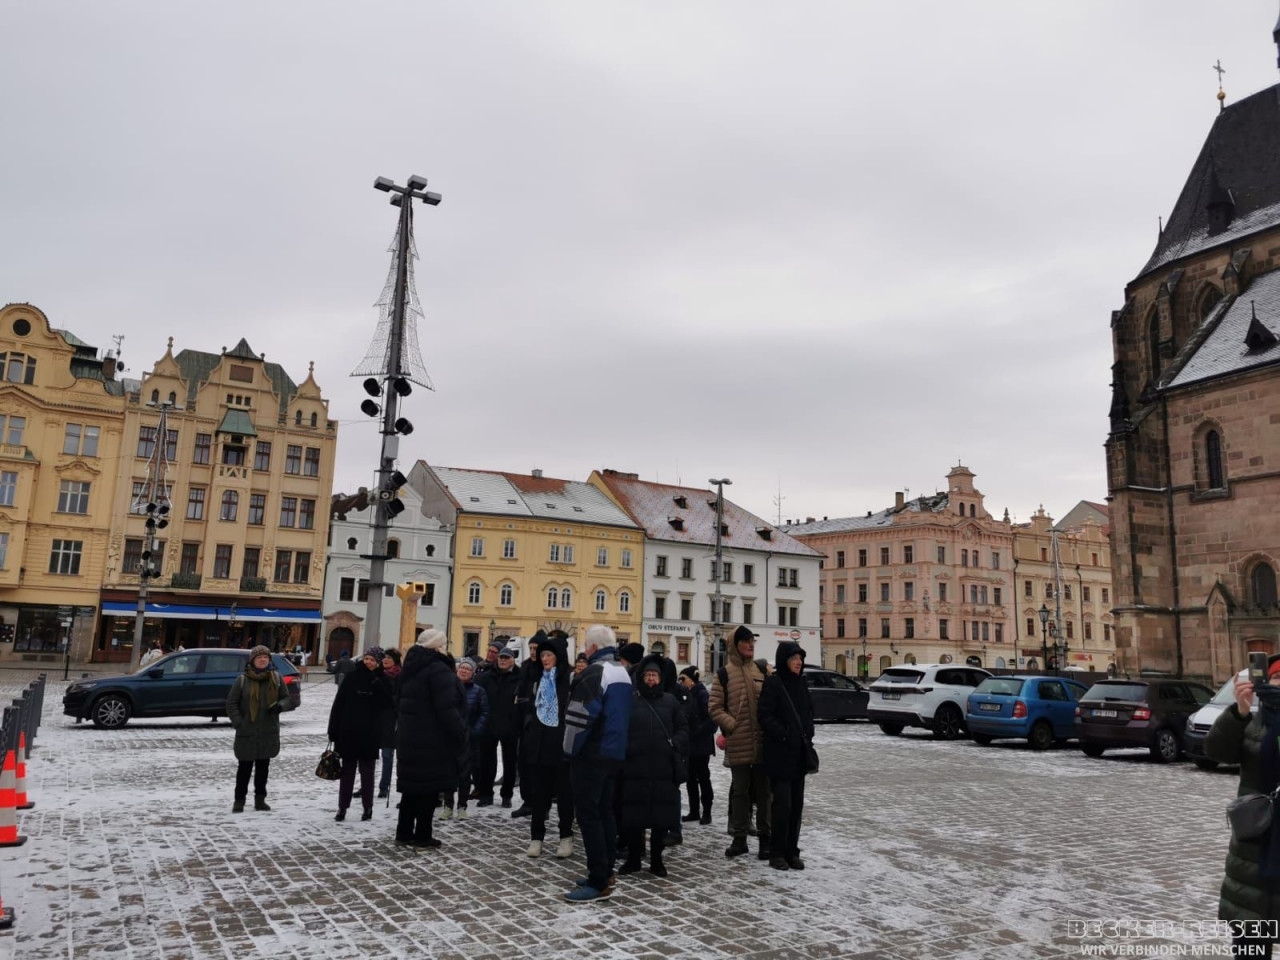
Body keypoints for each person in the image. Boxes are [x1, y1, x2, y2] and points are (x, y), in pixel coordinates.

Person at [1206, 658, 1280, 958]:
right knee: (1251, 945)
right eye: (1277, 677)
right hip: (1254, 849)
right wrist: (1239, 711)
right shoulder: (1250, 723)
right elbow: (1216, 752)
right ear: (1265, 682)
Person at [562, 624, 634, 903]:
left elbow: (579, 717)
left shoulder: (595, 672)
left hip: (591, 754)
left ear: (592, 647)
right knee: (605, 813)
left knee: (589, 816)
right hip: (613, 753)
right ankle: (606, 870)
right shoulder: (622, 672)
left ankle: (598, 880)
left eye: (585, 646)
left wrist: (569, 750)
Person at [394, 629, 467, 850]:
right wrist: (460, 730)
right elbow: (446, 708)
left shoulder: (410, 667)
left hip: (409, 736)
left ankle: (404, 832)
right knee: (428, 789)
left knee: (411, 788)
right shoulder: (438, 670)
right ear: (438, 646)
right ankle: (423, 836)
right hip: (432, 739)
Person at [618, 656, 688, 877]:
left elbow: (683, 728)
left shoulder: (670, 701)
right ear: (641, 678)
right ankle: (633, 859)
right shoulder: (630, 701)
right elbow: (620, 728)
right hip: (635, 768)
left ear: (660, 678)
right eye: (647, 674)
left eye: (654, 675)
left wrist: (675, 744)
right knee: (633, 818)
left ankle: (657, 861)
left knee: (661, 819)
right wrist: (627, 748)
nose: (651, 678)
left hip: (662, 768)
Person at [710, 625, 772, 860]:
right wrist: (732, 726)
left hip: (762, 742)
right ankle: (739, 839)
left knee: (764, 794)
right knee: (740, 793)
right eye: (746, 641)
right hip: (739, 742)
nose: (750, 645)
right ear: (735, 645)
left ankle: (765, 840)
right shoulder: (724, 674)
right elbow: (714, 707)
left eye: (752, 641)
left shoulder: (761, 670)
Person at [757, 641, 815, 871]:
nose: (798, 663)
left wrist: (808, 733)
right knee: (783, 805)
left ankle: (792, 851)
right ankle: (777, 852)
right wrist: (784, 734)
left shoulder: (801, 683)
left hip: (799, 754)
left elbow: (809, 712)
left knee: (797, 806)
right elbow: (764, 715)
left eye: (800, 659)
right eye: (794, 659)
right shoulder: (774, 683)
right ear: (784, 661)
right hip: (779, 755)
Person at [225, 645, 295, 812]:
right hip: (247, 730)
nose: (263, 660)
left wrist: (279, 706)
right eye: (259, 657)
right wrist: (239, 722)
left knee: (263, 768)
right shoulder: (242, 680)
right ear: (253, 660)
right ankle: (239, 800)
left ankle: (260, 800)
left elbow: (286, 698)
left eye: (265, 657)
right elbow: (231, 703)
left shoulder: (276, 678)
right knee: (244, 768)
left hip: (267, 730)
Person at [525, 634, 575, 859]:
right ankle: (536, 837)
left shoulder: (569, 679)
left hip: (561, 744)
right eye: (542, 655)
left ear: (558, 656)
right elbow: (527, 706)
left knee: (564, 795)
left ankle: (566, 836)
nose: (544, 659)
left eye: (548, 655)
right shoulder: (536, 678)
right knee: (539, 795)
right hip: (538, 744)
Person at [329, 646, 393, 822]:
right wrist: (333, 730)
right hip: (348, 731)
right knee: (347, 772)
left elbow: (388, 702)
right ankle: (342, 807)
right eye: (366, 659)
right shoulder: (352, 677)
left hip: (370, 732)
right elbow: (338, 704)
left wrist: (375, 680)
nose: (368, 662)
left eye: (372, 660)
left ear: (378, 663)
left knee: (367, 772)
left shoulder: (382, 679)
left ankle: (368, 807)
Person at [439, 657, 489, 820]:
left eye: (468, 669)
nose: (464, 671)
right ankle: (448, 806)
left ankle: (462, 806)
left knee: (465, 774)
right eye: (462, 668)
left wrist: (475, 731)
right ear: (457, 670)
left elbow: (484, 713)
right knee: (448, 772)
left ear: (473, 673)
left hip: (468, 738)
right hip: (449, 736)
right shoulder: (447, 688)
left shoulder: (479, 691)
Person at [475, 647, 521, 808]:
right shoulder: (486, 677)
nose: (502, 660)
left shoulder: (520, 677)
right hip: (489, 724)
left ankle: (506, 795)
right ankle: (486, 794)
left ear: (513, 660)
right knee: (486, 761)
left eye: (506, 658)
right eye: (501, 657)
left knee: (510, 762)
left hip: (510, 725)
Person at [511, 631, 546, 819]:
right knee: (523, 763)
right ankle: (527, 801)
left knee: (538, 766)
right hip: (522, 720)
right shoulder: (525, 666)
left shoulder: (547, 669)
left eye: (536, 648)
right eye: (531, 648)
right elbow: (520, 689)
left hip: (539, 723)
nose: (532, 652)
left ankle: (541, 805)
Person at [679, 666, 716, 825]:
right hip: (690, 745)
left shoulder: (702, 694)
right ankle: (694, 811)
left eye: (683, 679)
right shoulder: (686, 695)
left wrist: (696, 731)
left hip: (701, 745)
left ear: (692, 680)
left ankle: (706, 812)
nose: (681, 682)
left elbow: (712, 720)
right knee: (690, 779)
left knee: (703, 778)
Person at [378, 648, 402, 799]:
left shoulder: (401, 676)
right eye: (384, 657)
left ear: (395, 661)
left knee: (387, 754)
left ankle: (384, 786)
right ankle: (364, 786)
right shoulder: (378, 675)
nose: (385, 660)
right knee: (368, 757)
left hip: (393, 720)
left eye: (389, 658)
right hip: (377, 718)